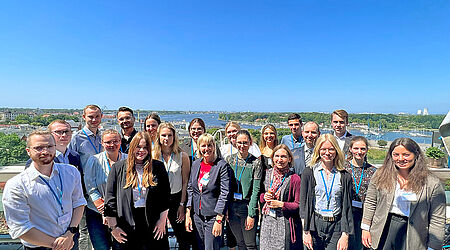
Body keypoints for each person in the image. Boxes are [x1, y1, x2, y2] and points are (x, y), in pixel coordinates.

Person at [2, 130, 86, 250]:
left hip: (70, 240)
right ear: (28, 151)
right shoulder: (16, 185)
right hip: (40, 246)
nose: (45, 151)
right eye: (39, 148)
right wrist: (59, 244)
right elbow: (20, 228)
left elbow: (79, 203)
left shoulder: (71, 172)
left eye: (49, 146)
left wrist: (70, 233)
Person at [361, 138, 446, 250]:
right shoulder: (381, 174)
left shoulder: (431, 183)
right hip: (384, 226)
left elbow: (437, 218)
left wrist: (433, 246)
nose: (400, 159)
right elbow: (371, 202)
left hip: (414, 231)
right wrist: (366, 228)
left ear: (416, 155)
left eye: (406, 155)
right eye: (396, 155)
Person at [104, 132, 170, 249]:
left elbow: (165, 197)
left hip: (153, 223)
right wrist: (113, 228)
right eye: (138, 147)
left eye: (145, 147)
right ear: (132, 147)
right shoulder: (118, 168)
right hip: (126, 223)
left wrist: (162, 221)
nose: (141, 150)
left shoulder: (158, 167)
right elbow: (110, 201)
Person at [300, 134, 354, 250]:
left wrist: (345, 235)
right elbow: (303, 205)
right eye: (323, 149)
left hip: (336, 226)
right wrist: (305, 232)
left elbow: (347, 207)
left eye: (331, 149)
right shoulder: (309, 173)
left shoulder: (344, 176)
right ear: (318, 150)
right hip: (315, 224)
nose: (327, 153)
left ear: (336, 151)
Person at [84, 129, 128, 250]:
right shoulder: (93, 160)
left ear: (120, 142)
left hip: (122, 213)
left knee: (121, 246)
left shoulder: (129, 160)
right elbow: (90, 188)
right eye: (108, 142)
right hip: (97, 214)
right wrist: (105, 211)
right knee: (101, 247)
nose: (112, 145)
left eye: (115, 141)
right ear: (102, 143)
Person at [185, 134, 231, 250]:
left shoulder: (222, 166)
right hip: (197, 216)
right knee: (199, 246)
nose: (206, 149)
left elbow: (224, 193)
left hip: (213, 216)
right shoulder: (196, 164)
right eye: (203, 145)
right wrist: (188, 213)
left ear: (214, 146)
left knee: (211, 247)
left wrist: (219, 219)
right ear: (199, 147)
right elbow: (191, 188)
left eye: (209, 145)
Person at [153, 122, 192, 250]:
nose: (167, 138)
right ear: (158, 136)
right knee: (160, 236)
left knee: (182, 237)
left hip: (176, 200)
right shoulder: (153, 155)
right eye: (163, 135)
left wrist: (182, 204)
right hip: (158, 201)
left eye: (170, 135)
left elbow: (185, 181)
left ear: (174, 137)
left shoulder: (182, 156)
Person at [68, 104, 103, 250]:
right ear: (84, 117)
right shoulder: (76, 138)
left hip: (100, 189)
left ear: (101, 117)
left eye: (97, 116)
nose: (94, 119)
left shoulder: (102, 137)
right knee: (83, 230)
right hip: (83, 191)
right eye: (90, 116)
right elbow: (70, 166)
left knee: (98, 229)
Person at [259, 144, 302, 250]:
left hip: (283, 223)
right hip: (267, 221)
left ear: (289, 159)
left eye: (283, 156)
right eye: (277, 156)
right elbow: (259, 196)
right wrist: (265, 197)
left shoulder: (294, 178)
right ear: (272, 158)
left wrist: (281, 204)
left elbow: (298, 205)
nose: (279, 159)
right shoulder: (267, 174)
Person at [225, 130, 262, 250]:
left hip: (246, 207)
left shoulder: (256, 162)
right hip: (231, 208)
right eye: (239, 142)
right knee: (240, 242)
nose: (242, 145)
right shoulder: (229, 160)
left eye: (245, 142)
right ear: (235, 142)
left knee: (250, 244)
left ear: (250, 143)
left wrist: (251, 214)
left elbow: (255, 191)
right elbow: (225, 186)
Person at [343, 136, 376, 250]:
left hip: (364, 215)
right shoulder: (343, 168)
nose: (359, 152)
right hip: (346, 213)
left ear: (367, 150)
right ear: (351, 149)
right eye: (356, 148)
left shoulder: (373, 171)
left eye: (362, 149)